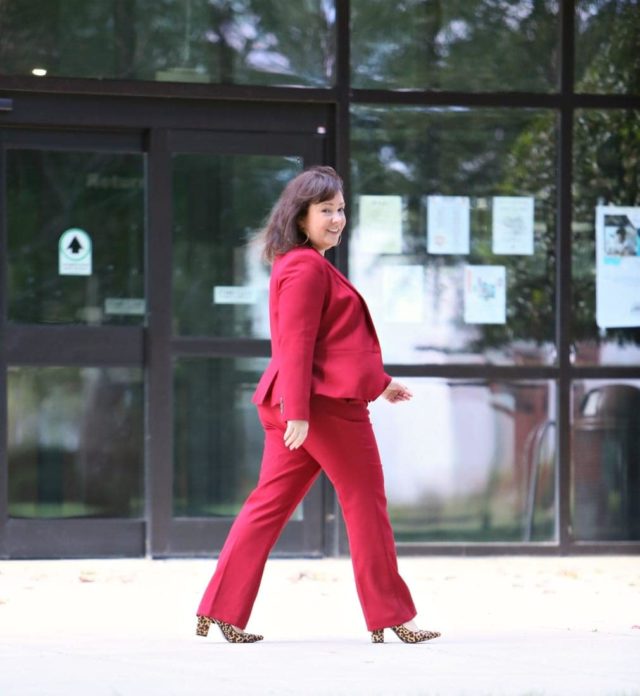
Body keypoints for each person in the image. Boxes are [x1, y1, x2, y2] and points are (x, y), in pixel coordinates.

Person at [195, 166, 440, 645]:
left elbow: (330, 344)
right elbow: (299, 342)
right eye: (325, 210)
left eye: (341, 209)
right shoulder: (306, 267)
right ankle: (390, 616)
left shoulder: (298, 263)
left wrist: (380, 383)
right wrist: (300, 414)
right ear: (300, 217)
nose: (337, 219)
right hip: (319, 409)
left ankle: (219, 612)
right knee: (366, 504)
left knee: (266, 507)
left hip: (301, 403)